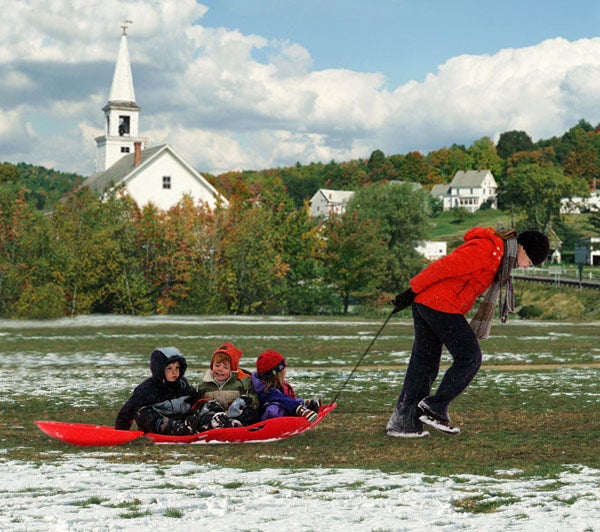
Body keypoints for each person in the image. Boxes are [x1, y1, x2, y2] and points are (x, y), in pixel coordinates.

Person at [386, 227, 549, 439]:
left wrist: (414, 294)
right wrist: (412, 290)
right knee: (469, 357)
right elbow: (444, 266)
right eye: (530, 261)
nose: (527, 267)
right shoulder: (487, 249)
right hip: (437, 303)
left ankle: (404, 423)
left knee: (424, 363)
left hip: (431, 303)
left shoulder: (500, 257)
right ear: (522, 249)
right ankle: (435, 408)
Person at [115, 347, 196, 434]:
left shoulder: (182, 384)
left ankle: (205, 424)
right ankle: (176, 429)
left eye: (177, 368)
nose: (174, 372)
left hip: (182, 420)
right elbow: (129, 410)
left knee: (205, 406)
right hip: (158, 425)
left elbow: (194, 400)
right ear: (160, 369)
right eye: (169, 368)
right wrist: (121, 431)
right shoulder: (147, 389)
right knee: (143, 413)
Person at [187, 343, 259, 431]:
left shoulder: (241, 383)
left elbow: (254, 400)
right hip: (214, 417)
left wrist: (244, 401)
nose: (220, 369)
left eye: (225, 367)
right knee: (206, 414)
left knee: (250, 414)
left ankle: (238, 425)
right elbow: (197, 403)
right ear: (212, 366)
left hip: (235, 415)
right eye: (217, 366)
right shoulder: (204, 385)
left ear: (231, 370)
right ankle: (206, 427)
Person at [251, 349, 321, 422]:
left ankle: (305, 404)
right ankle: (296, 412)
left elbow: (286, 399)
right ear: (278, 373)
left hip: (283, 403)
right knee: (275, 408)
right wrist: (302, 410)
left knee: (286, 401)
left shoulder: (274, 385)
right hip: (265, 418)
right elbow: (280, 399)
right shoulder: (265, 389)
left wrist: (303, 403)